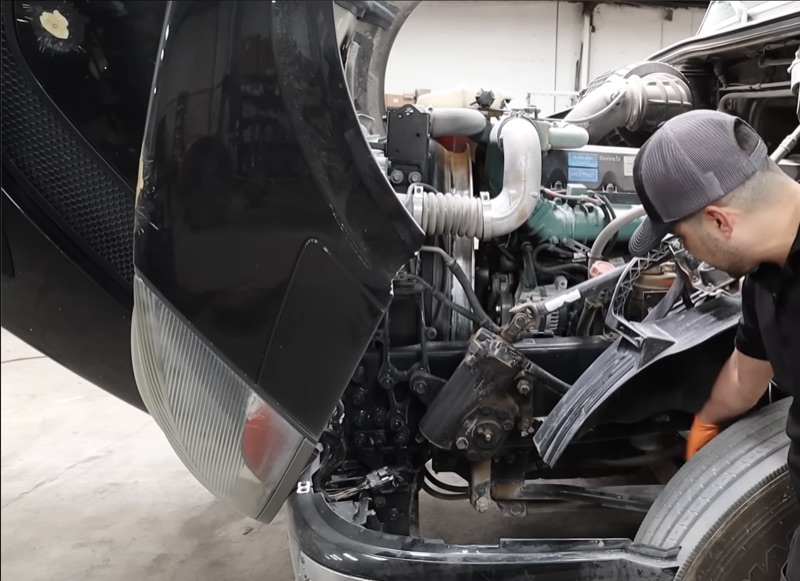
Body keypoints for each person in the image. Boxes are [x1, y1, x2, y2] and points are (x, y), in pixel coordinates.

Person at [627, 109, 800, 580]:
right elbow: (748, 373)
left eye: (683, 238)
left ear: (720, 221)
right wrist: (708, 418)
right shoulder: (765, 279)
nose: (687, 253)